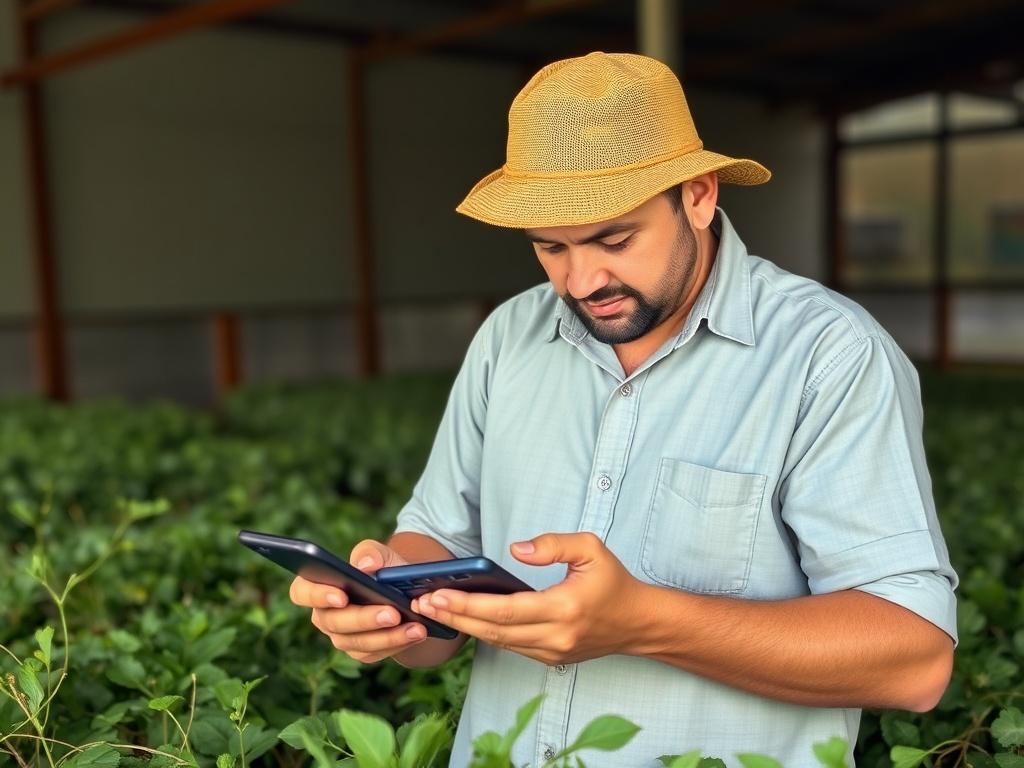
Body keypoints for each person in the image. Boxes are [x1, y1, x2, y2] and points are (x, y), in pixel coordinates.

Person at [290, 52, 957, 767]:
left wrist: (645, 623)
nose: (581, 280)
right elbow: (439, 547)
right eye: (550, 247)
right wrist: (391, 602)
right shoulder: (510, 336)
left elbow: (913, 661)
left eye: (615, 239)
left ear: (698, 196)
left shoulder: (827, 354)